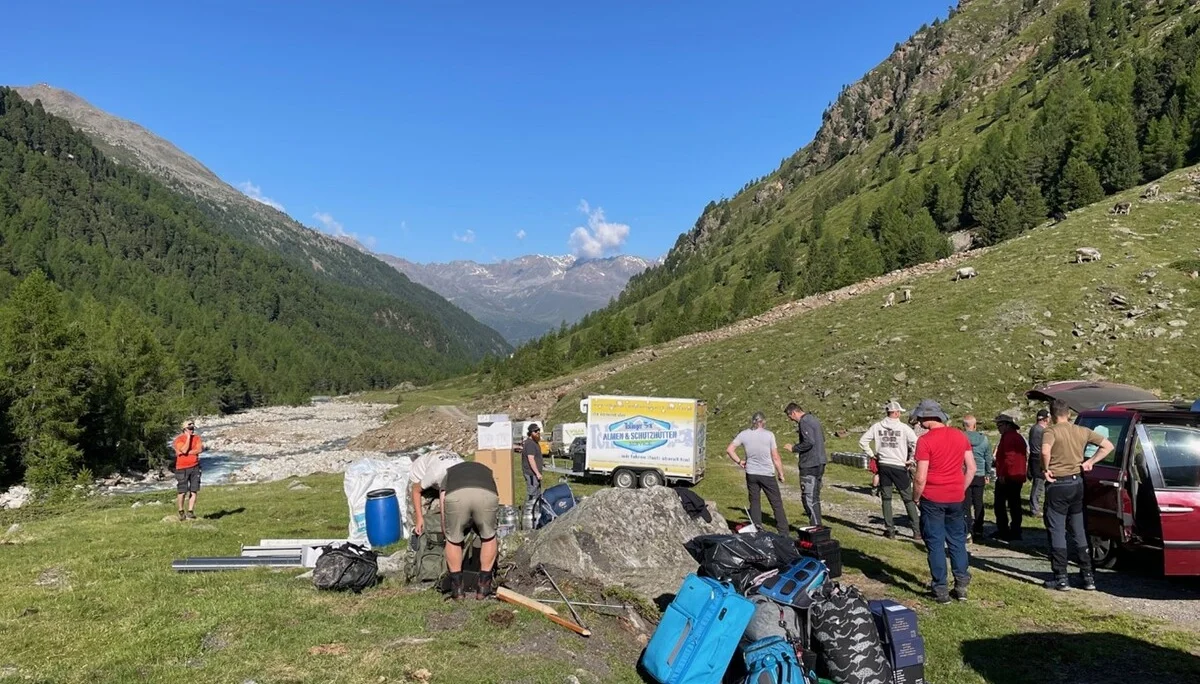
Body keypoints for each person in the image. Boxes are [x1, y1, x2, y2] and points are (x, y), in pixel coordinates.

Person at [1041, 399, 1113, 591]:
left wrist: (1046, 469)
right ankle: (1088, 576)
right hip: (1077, 482)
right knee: (1079, 529)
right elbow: (1108, 446)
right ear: (1069, 414)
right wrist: (1091, 462)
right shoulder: (1082, 431)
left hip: (1058, 483)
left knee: (1057, 530)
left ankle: (1061, 577)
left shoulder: (1051, 431)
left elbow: (1045, 450)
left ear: (1051, 415)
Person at [911, 399, 975, 603]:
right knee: (957, 540)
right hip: (956, 497)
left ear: (926, 418)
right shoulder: (960, 435)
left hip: (933, 498)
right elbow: (971, 468)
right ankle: (962, 583)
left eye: (920, 418)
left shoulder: (925, 441)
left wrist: (916, 497)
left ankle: (940, 588)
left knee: (936, 543)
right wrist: (960, 488)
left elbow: (920, 476)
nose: (918, 422)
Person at [859, 401, 921, 540]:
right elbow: (916, 442)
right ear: (897, 413)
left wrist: (872, 454)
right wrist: (911, 458)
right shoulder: (904, 428)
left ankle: (890, 530)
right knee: (908, 499)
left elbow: (863, 441)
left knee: (886, 498)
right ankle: (916, 531)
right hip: (899, 465)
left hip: (884, 465)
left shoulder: (877, 426)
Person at [440, 460, 500, 600]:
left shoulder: (449, 473)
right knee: (488, 536)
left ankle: (458, 590)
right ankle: (483, 588)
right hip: (486, 494)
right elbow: (495, 493)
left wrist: (445, 528)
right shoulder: (486, 470)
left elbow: (443, 498)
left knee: (453, 539)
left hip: (456, 496)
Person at [727, 411, 788, 535]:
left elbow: (730, 449)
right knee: (776, 502)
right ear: (763, 422)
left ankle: (756, 528)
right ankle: (783, 531)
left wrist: (740, 462)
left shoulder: (743, 434)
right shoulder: (769, 435)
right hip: (767, 473)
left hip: (751, 473)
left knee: (754, 501)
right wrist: (780, 473)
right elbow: (775, 457)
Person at [784, 402, 827, 527]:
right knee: (815, 494)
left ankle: (815, 526)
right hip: (820, 462)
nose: (792, 420)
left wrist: (794, 448)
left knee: (808, 497)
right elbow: (821, 439)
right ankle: (816, 523)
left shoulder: (804, 422)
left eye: (790, 417)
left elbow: (809, 442)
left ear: (794, 412)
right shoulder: (814, 419)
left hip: (810, 464)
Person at [408, 450, 464, 536]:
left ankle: (438, 536)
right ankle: (416, 539)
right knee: (418, 514)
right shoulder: (435, 474)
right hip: (420, 476)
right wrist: (419, 518)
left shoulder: (464, 470)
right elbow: (416, 491)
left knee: (442, 508)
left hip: (439, 467)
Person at [993, 414, 1029, 541]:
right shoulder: (1018, 437)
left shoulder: (1008, 437)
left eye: (1000, 425)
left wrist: (1002, 473)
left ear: (1008, 425)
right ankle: (1015, 530)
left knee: (1000, 504)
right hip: (1018, 475)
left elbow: (1010, 458)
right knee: (1015, 503)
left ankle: (1003, 530)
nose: (998, 428)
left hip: (1008, 476)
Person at [960, 416, 993, 542]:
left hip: (964, 474)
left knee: (965, 503)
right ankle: (979, 530)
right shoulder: (983, 439)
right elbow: (988, 457)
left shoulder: (961, 437)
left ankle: (967, 530)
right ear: (975, 425)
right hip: (979, 474)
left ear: (964, 425)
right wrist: (987, 473)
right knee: (978, 502)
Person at [172, 419, 205, 521]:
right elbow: (184, 449)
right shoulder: (179, 439)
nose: (192, 430)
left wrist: (185, 452)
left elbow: (199, 450)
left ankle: (190, 511)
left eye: (193, 429)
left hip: (195, 467)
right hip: (182, 468)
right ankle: (181, 511)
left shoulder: (197, 438)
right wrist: (188, 438)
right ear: (184, 429)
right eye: (190, 428)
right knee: (182, 491)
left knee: (194, 490)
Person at [1027, 408, 1050, 516]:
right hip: (1038, 459)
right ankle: (1034, 509)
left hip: (1034, 457)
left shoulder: (1034, 428)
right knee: (1038, 484)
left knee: (1038, 484)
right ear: (1046, 419)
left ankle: (1035, 506)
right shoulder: (1041, 430)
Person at [521, 423, 544, 515]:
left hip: (534, 473)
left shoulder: (534, 442)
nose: (538, 432)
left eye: (538, 430)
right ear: (530, 433)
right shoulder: (530, 444)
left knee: (537, 493)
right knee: (532, 493)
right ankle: (528, 512)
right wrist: (537, 473)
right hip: (531, 473)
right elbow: (531, 459)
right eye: (535, 431)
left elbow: (535, 458)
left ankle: (536, 511)